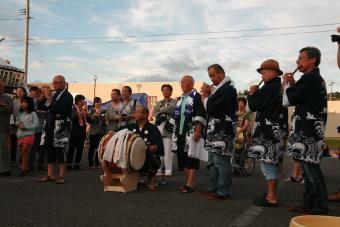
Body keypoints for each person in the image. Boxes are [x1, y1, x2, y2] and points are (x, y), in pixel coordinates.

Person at [283, 47, 328, 215]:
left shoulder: (310, 77)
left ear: (312, 60)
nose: (297, 62)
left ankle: (320, 206)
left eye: (301, 59)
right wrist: (294, 84)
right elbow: (302, 97)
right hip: (308, 129)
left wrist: (287, 84)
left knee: (311, 169)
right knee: (308, 169)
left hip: (309, 130)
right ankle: (309, 203)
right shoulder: (313, 78)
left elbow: (288, 100)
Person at [247, 59, 284, 207]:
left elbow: (254, 105)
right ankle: (270, 193)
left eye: (264, 72)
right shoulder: (277, 87)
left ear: (273, 72)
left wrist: (252, 94)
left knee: (268, 163)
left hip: (267, 132)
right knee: (271, 163)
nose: (262, 76)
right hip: (274, 130)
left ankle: (272, 196)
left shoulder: (270, 88)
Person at [200, 64, 237, 201]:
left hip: (223, 131)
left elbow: (211, 107)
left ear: (221, 73)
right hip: (215, 131)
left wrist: (204, 95)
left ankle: (223, 191)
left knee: (222, 162)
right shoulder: (221, 89)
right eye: (210, 76)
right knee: (214, 162)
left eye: (213, 75)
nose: (211, 78)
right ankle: (213, 188)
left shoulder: (227, 89)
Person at [171, 75, 206, 193]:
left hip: (190, 131)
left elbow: (201, 113)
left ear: (191, 84)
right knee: (182, 157)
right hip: (180, 132)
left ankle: (190, 183)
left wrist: (198, 130)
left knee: (191, 157)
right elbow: (175, 116)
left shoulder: (196, 97)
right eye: (181, 82)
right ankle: (189, 182)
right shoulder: (180, 98)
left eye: (184, 82)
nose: (181, 84)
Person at [38, 75, 73, 184]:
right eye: (55, 82)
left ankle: (61, 175)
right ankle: (50, 174)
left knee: (60, 149)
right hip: (49, 124)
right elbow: (43, 107)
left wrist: (49, 99)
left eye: (59, 82)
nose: (57, 84)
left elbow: (59, 108)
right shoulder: (53, 94)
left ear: (64, 83)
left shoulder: (68, 96)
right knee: (49, 148)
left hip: (61, 124)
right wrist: (43, 98)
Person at [128, 105, 164, 190]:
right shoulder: (130, 127)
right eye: (135, 112)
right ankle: (133, 176)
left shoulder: (153, 128)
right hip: (132, 157)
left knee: (148, 153)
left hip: (148, 156)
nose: (135, 114)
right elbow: (119, 131)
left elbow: (159, 144)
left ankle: (151, 177)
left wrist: (154, 147)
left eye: (137, 112)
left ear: (145, 115)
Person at [152, 84, 177, 176]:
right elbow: (154, 113)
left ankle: (168, 170)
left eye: (167, 90)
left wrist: (160, 110)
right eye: (163, 90)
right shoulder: (159, 102)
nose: (165, 92)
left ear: (171, 91)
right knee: (158, 150)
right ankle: (158, 169)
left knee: (168, 150)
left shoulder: (174, 101)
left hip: (168, 128)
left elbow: (171, 109)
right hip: (159, 128)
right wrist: (163, 110)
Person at [16, 96, 39, 177]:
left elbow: (36, 125)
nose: (23, 104)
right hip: (20, 135)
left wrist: (26, 127)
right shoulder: (20, 112)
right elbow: (17, 120)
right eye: (22, 102)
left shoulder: (33, 113)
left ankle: (23, 169)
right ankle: (26, 167)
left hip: (29, 135)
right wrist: (18, 123)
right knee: (22, 153)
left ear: (29, 103)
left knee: (24, 151)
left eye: (25, 102)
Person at [67, 94, 87, 170]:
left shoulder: (84, 109)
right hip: (74, 131)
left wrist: (86, 114)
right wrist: (79, 113)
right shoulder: (72, 108)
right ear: (78, 101)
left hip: (82, 131)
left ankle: (77, 164)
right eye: (83, 100)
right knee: (71, 148)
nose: (84, 102)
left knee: (80, 149)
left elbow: (88, 119)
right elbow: (72, 117)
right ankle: (69, 164)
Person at [9, 87, 27, 165]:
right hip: (13, 125)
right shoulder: (13, 101)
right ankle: (13, 159)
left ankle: (21, 160)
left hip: (23, 125)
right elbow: (10, 113)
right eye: (17, 91)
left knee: (22, 144)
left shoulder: (27, 101)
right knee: (13, 144)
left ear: (24, 92)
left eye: (21, 91)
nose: (19, 92)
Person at [36, 86, 52, 170]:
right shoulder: (39, 100)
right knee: (37, 144)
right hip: (39, 124)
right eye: (46, 90)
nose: (48, 92)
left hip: (46, 124)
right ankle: (33, 163)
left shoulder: (50, 99)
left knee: (43, 145)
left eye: (49, 90)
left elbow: (50, 110)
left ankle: (40, 163)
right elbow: (36, 110)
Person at [0, 79, 14, 177]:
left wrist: (2, 104)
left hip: (3, 128)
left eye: (1, 85)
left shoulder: (7, 98)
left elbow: (10, 110)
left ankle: (5, 170)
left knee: (3, 149)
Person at [87, 97, 106, 169]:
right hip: (93, 132)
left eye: (99, 101)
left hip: (102, 132)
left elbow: (105, 121)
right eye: (96, 102)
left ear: (101, 102)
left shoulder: (104, 111)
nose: (98, 103)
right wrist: (93, 116)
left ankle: (97, 163)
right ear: (94, 103)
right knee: (92, 148)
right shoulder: (91, 110)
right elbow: (89, 121)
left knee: (99, 148)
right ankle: (90, 164)